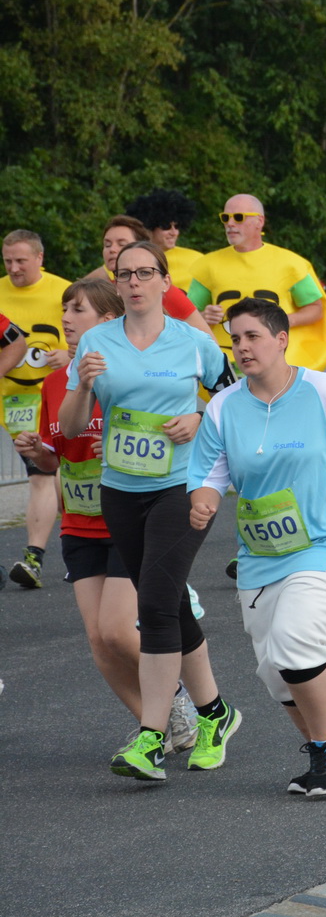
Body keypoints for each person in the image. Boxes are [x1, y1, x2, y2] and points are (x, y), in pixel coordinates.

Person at [188, 299, 326, 795]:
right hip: (260, 555)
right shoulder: (223, 406)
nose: (242, 347)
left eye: (253, 336)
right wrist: (204, 502)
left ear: (281, 339)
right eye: (235, 339)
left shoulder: (324, 391)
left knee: (295, 641)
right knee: (275, 670)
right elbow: (209, 473)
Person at [62, 240, 241, 780]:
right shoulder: (95, 342)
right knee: (165, 598)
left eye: (146, 273)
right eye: (125, 274)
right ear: (116, 285)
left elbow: (235, 403)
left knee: (156, 604)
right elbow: (71, 426)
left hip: (181, 485)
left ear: (165, 282)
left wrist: (199, 416)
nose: (135, 281)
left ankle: (152, 737)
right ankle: (216, 713)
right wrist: (85, 384)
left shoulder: (194, 343)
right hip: (119, 488)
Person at [15, 279, 197, 748]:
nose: (67, 318)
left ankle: (173, 700)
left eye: (78, 310)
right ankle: (157, 728)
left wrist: (117, 447)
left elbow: (165, 422)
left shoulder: (133, 370)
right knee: (99, 642)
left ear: (107, 320)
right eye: (65, 309)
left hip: (127, 512)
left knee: (119, 630)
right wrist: (38, 451)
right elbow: (56, 458)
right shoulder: (56, 381)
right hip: (78, 519)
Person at [188, 194, 326, 375]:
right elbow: (187, 314)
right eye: (225, 218)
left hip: (275, 364)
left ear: (260, 221)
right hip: (226, 365)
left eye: (239, 217)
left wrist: (281, 320)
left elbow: (315, 308)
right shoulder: (207, 265)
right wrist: (203, 316)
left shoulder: (291, 263)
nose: (230, 223)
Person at [0, 229, 71, 588]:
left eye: (21, 261)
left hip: (56, 398)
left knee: (45, 475)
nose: (14, 268)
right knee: (51, 475)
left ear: (40, 258)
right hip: (11, 400)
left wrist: (69, 355)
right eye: (8, 261)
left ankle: (34, 557)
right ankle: (78, 545)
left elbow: (101, 337)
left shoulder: (64, 292)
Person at [126, 189, 202, 292]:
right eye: (166, 226)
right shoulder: (130, 258)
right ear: (149, 227)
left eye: (177, 226)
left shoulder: (197, 259)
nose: (173, 232)